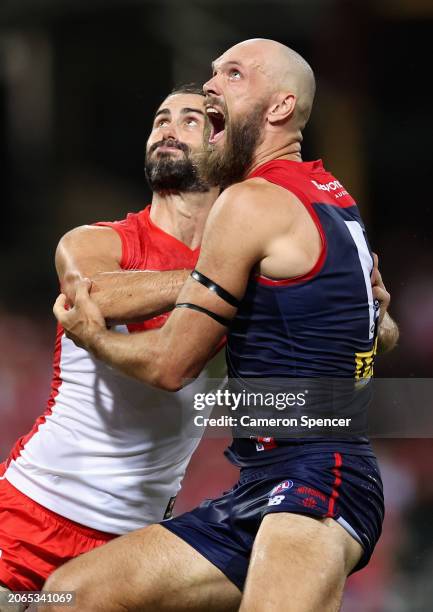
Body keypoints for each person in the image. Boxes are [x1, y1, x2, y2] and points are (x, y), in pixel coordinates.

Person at [47, 39, 399, 612]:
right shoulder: (334, 200)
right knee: (69, 594)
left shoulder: (250, 202)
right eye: (212, 73)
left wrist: (93, 337)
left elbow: (169, 365)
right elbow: (380, 332)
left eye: (232, 76)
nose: (210, 86)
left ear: (280, 108)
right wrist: (378, 319)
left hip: (316, 484)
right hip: (267, 480)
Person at [0, 85, 223, 610]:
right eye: (160, 118)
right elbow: (93, 295)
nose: (167, 127)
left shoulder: (246, 269)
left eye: (191, 120)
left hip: (135, 549)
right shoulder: (96, 241)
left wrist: (366, 300)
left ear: (227, 153)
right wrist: (222, 277)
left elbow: (360, 344)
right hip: (30, 515)